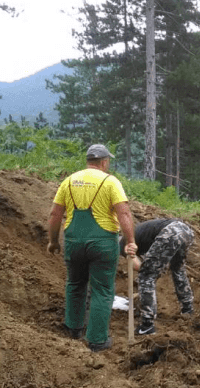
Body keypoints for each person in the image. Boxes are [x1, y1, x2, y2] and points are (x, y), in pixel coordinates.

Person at [47, 144, 137, 352]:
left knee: (75, 284)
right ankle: (97, 340)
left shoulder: (68, 182)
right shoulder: (110, 182)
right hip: (103, 243)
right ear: (104, 162)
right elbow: (123, 214)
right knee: (102, 290)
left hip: (73, 242)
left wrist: (53, 241)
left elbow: (54, 215)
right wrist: (130, 240)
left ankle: (74, 328)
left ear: (88, 161)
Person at [122, 218, 195, 336]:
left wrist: (149, 274)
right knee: (178, 269)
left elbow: (138, 266)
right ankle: (187, 309)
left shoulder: (124, 245)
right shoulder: (138, 235)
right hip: (185, 230)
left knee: (146, 275)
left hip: (169, 232)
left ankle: (147, 325)